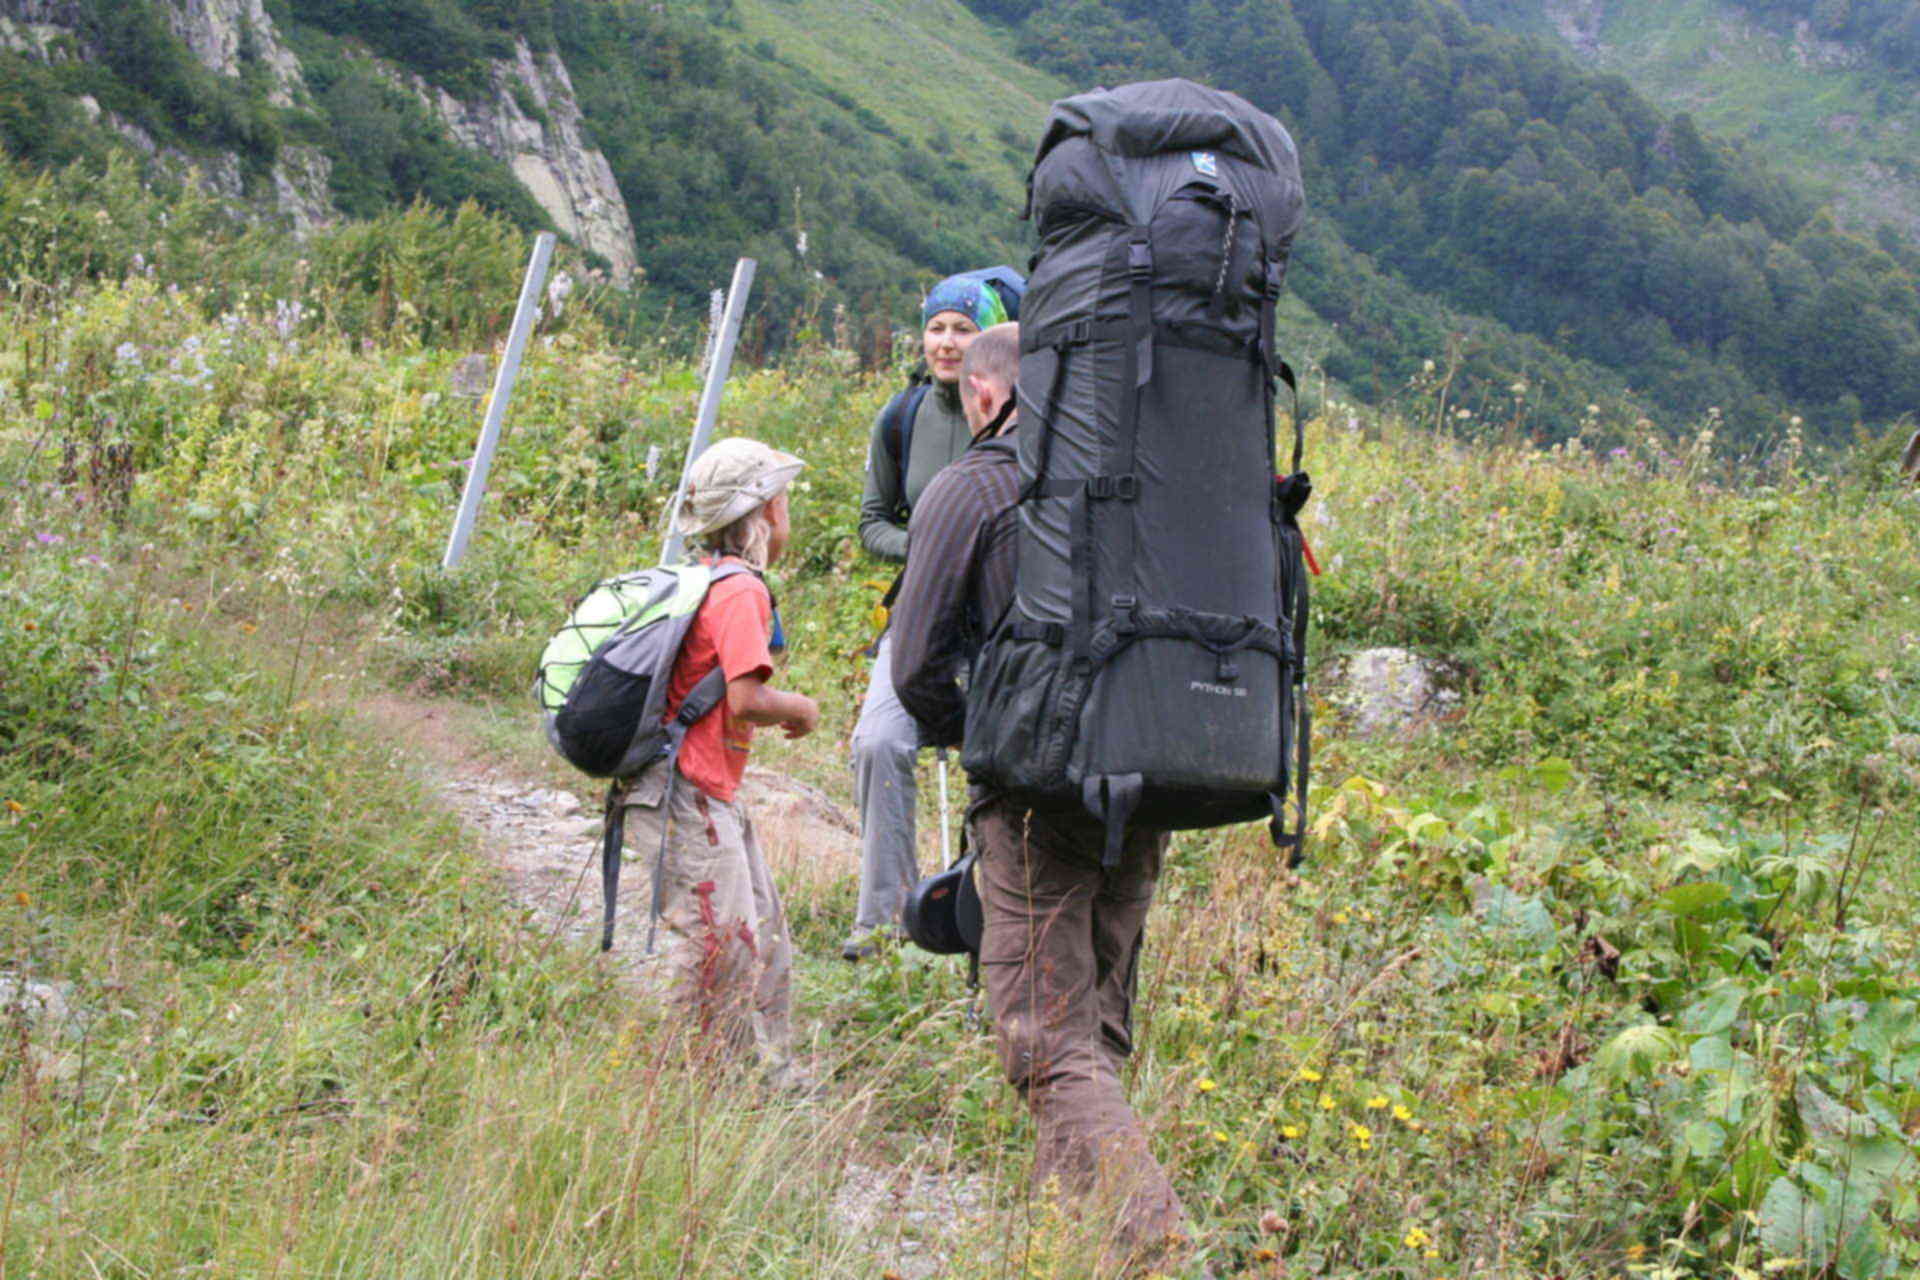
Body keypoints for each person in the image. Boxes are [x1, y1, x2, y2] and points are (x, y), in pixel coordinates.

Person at [887, 326, 1192, 1266]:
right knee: (1092, 1025)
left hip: (1035, 797)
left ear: (984, 396)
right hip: (1150, 786)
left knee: (1044, 1043)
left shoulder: (974, 484)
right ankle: (1076, 1242)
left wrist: (981, 735)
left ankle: (1160, 1249)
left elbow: (915, 666)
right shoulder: (1140, 476)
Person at [615, 437, 820, 1077]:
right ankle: (698, 1085)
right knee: (721, 945)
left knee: (764, 933)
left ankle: (769, 1074)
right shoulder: (740, 593)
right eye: (781, 499)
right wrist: (801, 708)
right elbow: (744, 699)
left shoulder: (708, 579)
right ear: (762, 514)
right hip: (686, 793)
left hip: (705, 792)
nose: (787, 512)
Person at [843, 271, 1016, 960]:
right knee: (878, 742)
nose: (947, 342)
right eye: (938, 327)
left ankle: (987, 922)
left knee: (995, 760)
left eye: (964, 329)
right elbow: (871, 522)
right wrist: (932, 544)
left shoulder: (1020, 412)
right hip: (920, 612)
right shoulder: (902, 416)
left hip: (998, 619)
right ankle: (883, 921)